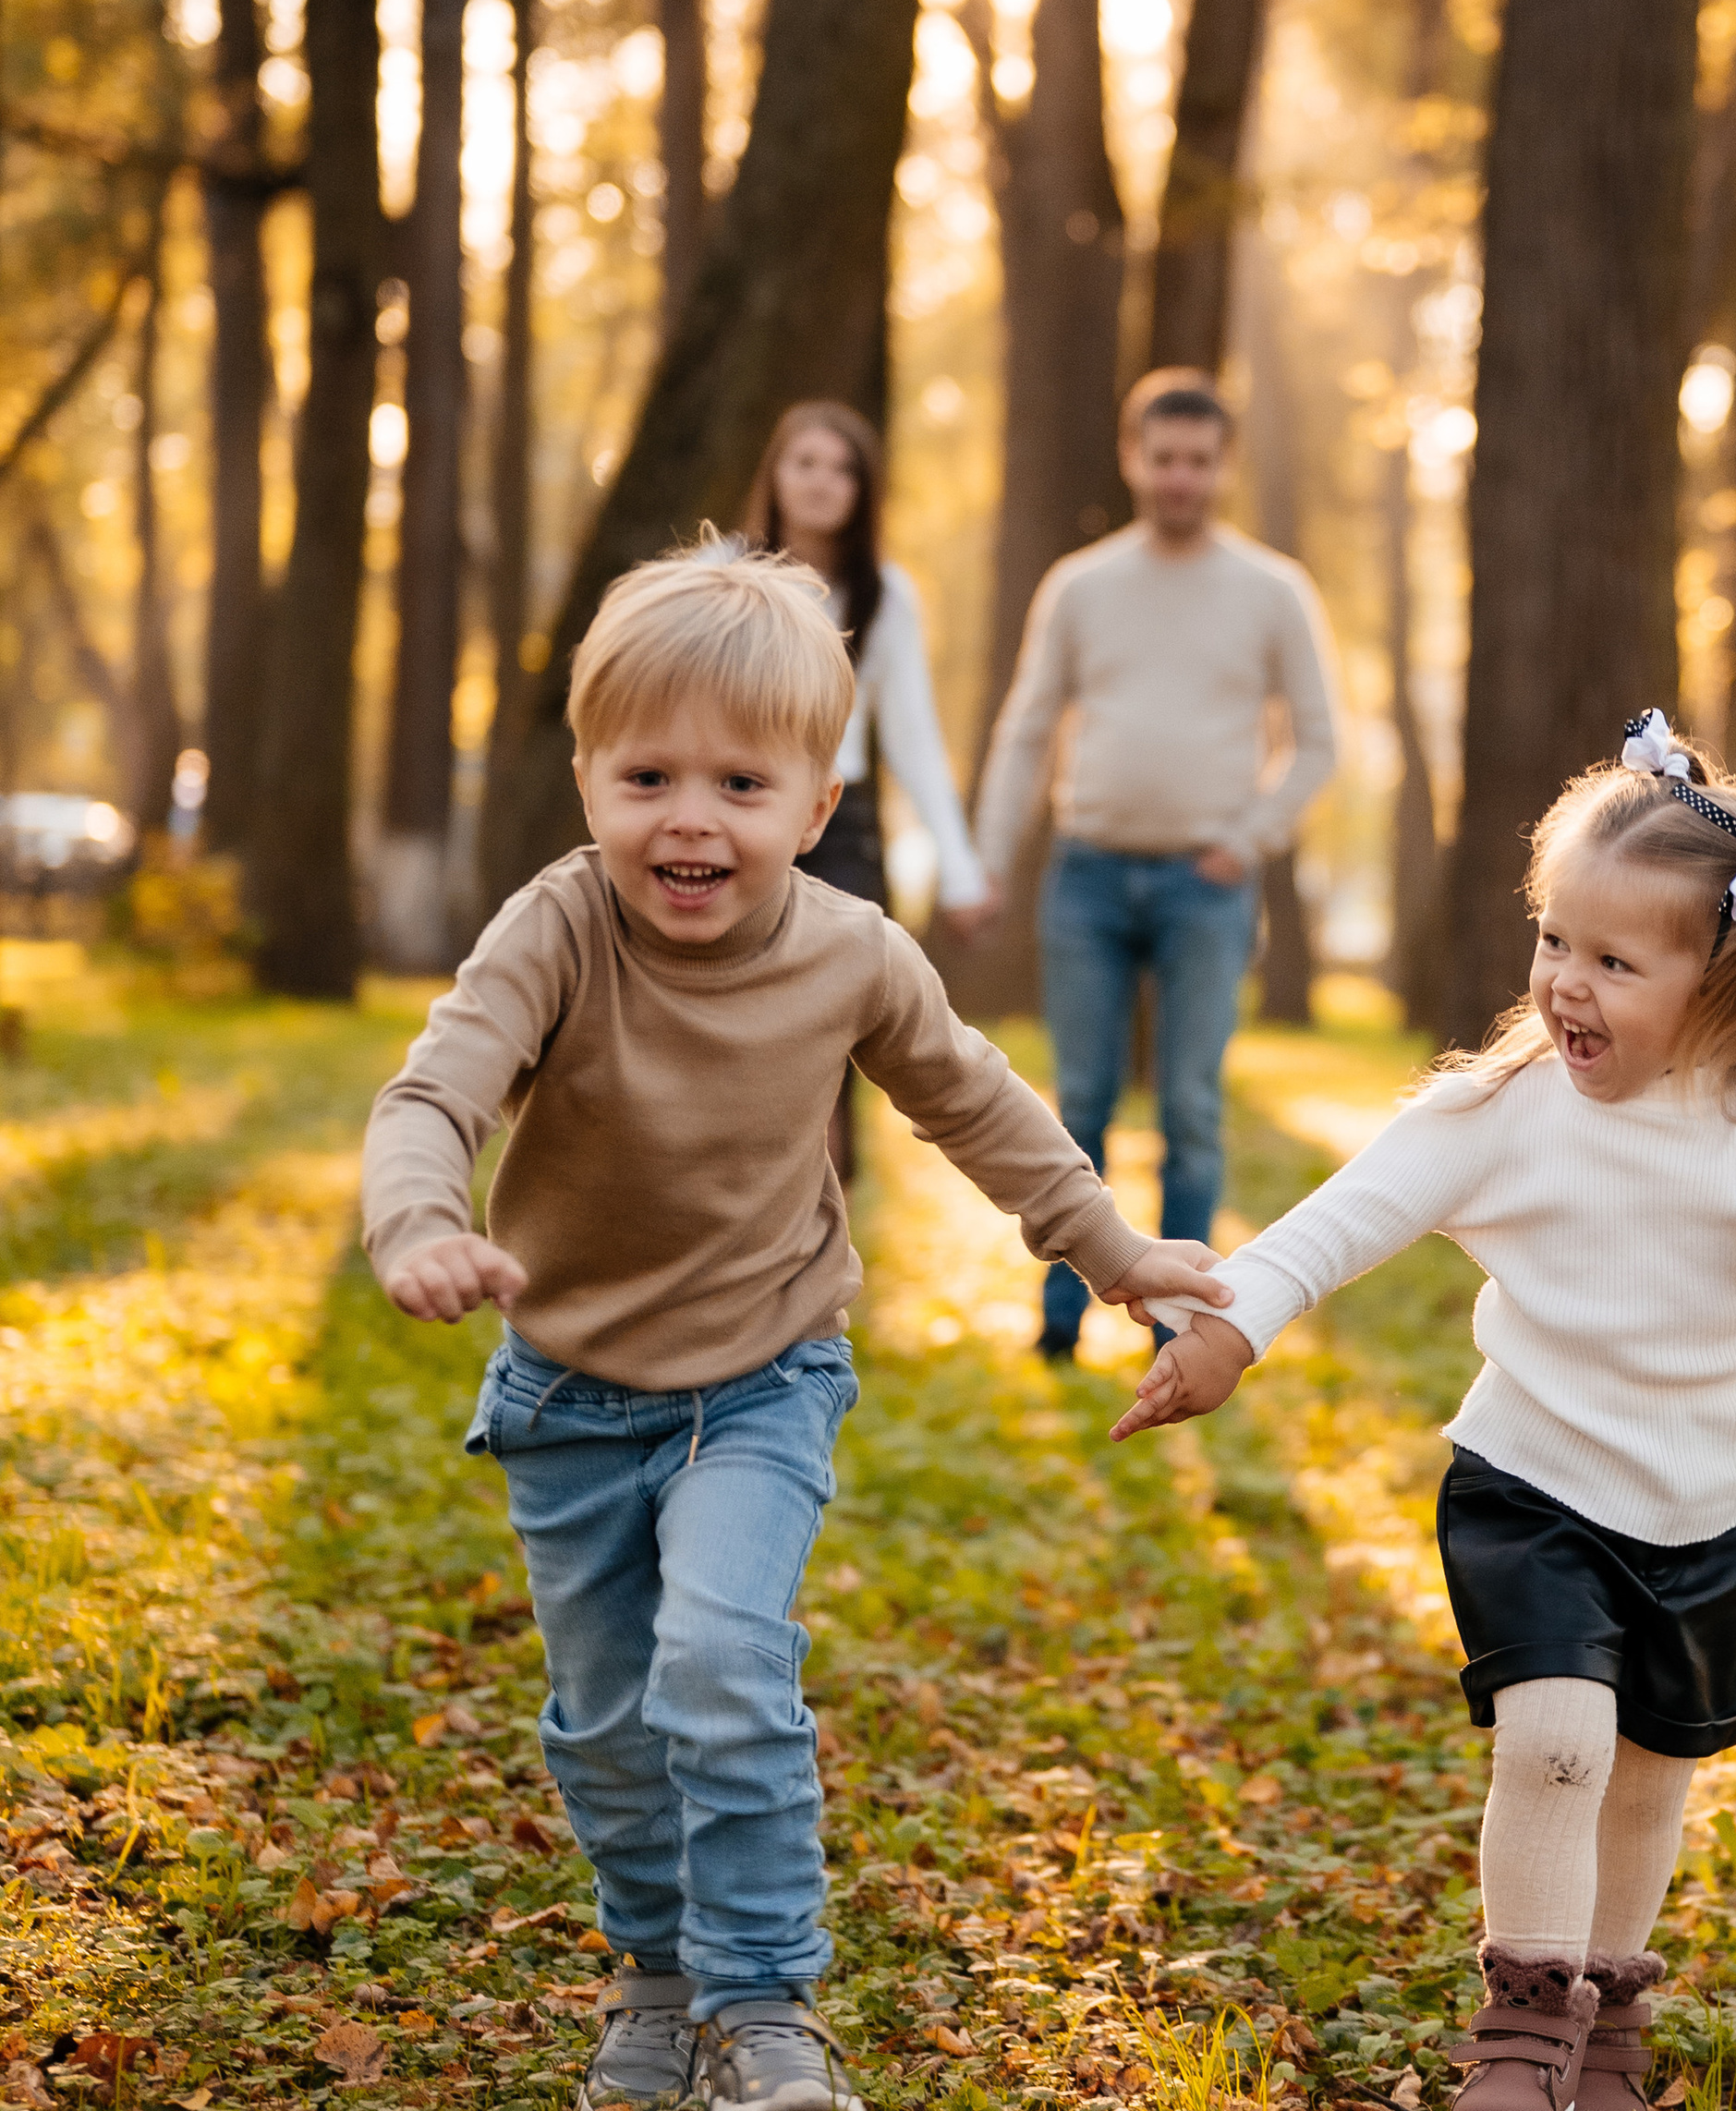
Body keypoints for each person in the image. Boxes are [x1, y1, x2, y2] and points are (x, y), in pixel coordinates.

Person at [359, 540, 1231, 2111]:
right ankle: (655, 1968)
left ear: (816, 809)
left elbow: (977, 1102)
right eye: (648, 777)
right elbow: (440, 1089)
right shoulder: (557, 930)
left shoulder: (850, 952)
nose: (690, 818)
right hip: (567, 1397)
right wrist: (423, 1217)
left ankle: (763, 2005)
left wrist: (1108, 1249)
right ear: (587, 782)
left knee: (719, 1662)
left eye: (743, 786)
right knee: (610, 1725)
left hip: (762, 1382)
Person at [1111, 710, 1736, 2111]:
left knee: (1649, 1774)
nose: (1568, 985)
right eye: (1556, 941)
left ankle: (1605, 2012)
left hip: (1707, 1507)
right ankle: (1523, 2025)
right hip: (1532, 1482)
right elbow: (1337, 1223)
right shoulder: (1506, 1111)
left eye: (1617, 961)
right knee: (1556, 1742)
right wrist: (1229, 1330)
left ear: (1724, 979)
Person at [972, 369, 1341, 1359]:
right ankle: (1057, 1323)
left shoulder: (1271, 590)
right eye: (1163, 458)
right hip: (1087, 875)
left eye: (1199, 461)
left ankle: (1179, 1325)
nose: (1180, 478)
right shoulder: (1081, 585)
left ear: (1221, 468)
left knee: (1189, 1107)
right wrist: (988, 858)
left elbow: (1317, 743)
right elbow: (1025, 729)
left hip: (1205, 886)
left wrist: (1246, 840)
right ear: (1133, 458)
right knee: (1077, 1106)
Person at [744, 400, 994, 1179]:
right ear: (776, 475)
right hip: (740, 811)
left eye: (842, 469)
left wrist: (959, 871)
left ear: (863, 490)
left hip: (839, 823)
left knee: (829, 1031)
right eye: (805, 463)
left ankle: (820, 1234)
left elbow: (914, 737)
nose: (822, 483)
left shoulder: (887, 594)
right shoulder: (719, 572)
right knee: (748, 1023)